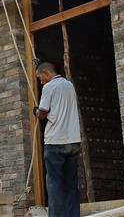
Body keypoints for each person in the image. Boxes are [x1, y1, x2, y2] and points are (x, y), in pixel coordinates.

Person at [35, 61, 82, 217]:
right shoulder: (69, 85)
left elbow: (42, 113)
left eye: (41, 78)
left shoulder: (49, 87)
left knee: (54, 183)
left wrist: (37, 112)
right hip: (73, 141)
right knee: (71, 183)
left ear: (47, 73)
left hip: (55, 142)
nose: (40, 82)